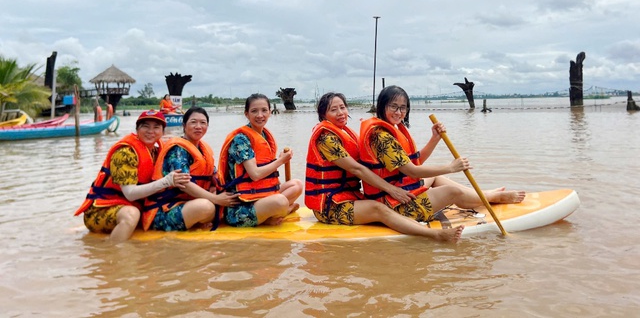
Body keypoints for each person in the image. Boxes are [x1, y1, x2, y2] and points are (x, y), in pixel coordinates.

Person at [306, 92, 464, 242]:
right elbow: (357, 169)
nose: (340, 112)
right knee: (377, 208)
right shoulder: (325, 138)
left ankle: (487, 197)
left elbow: (412, 163)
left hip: (350, 196)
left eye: (343, 107)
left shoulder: (347, 133)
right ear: (323, 115)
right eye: (333, 110)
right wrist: (392, 189)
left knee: (429, 179)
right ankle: (435, 235)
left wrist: (434, 139)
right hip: (329, 206)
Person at [359, 85, 525, 222]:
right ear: (382, 107)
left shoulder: (392, 130)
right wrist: (450, 167)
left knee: (436, 178)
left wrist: (435, 138)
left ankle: (482, 194)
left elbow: (416, 162)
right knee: (452, 192)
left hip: (401, 193)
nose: (398, 112)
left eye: (403, 107)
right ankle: (492, 197)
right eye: (393, 106)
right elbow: (411, 171)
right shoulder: (380, 137)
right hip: (394, 205)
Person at [75, 110, 190, 243]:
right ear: (137, 129)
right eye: (145, 126)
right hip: (102, 209)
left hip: (135, 206)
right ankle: (111, 253)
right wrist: (166, 181)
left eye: (156, 127)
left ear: (163, 132)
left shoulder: (157, 151)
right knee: (131, 215)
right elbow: (130, 194)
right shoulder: (125, 152)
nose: (150, 131)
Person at [142, 107, 239, 231]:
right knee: (207, 207)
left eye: (203, 123)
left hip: (187, 203)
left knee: (230, 201)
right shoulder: (177, 149)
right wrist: (216, 199)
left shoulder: (204, 149)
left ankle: (199, 219)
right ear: (184, 125)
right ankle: (199, 218)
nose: (198, 126)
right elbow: (185, 184)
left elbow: (212, 176)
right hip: (164, 209)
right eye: (193, 122)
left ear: (207, 126)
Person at [218, 93, 303, 227]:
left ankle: (273, 213)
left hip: (262, 196)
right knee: (281, 202)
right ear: (246, 114)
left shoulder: (264, 135)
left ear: (270, 112)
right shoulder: (241, 139)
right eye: (254, 111)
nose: (260, 115)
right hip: (240, 208)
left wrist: (280, 159)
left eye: (264, 110)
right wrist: (281, 161)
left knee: (296, 185)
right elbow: (255, 174)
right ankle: (278, 212)